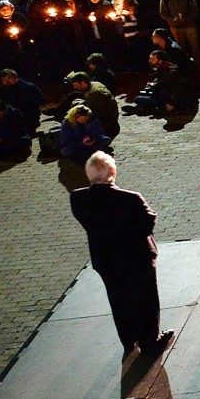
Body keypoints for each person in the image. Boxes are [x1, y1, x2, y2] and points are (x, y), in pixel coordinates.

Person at [69, 152, 173, 357]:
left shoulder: (78, 198)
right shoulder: (131, 198)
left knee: (118, 298)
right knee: (145, 299)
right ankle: (150, 341)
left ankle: (128, 339)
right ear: (113, 172)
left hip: (105, 258)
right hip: (136, 257)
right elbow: (147, 224)